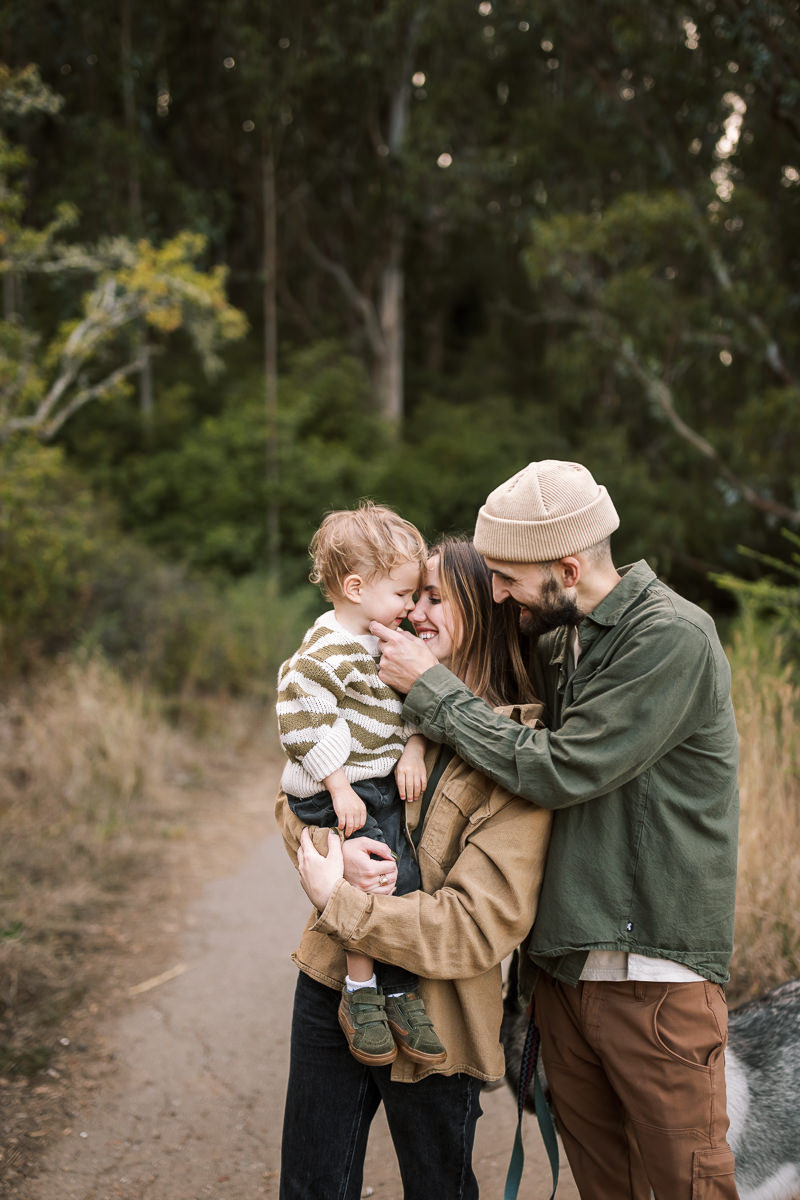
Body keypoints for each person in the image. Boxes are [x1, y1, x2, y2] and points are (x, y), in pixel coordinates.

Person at [372, 460, 741, 1200]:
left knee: (686, 1189)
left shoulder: (670, 638)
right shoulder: (556, 640)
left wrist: (432, 690)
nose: (498, 594)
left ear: (568, 568)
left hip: (654, 985)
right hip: (561, 982)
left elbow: (560, 769)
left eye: (506, 578)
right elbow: (495, 724)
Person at [275, 537, 552, 1200]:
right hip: (334, 979)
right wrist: (328, 848)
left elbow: (475, 926)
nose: (415, 612)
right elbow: (294, 791)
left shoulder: (521, 747)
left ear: (486, 613)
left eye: (436, 598)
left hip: (441, 1017)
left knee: (438, 1189)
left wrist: (347, 905)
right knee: (310, 1186)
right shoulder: (373, 686)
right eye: (412, 595)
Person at [276, 500, 443, 1067]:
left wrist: (415, 744)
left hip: (369, 784)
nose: (411, 607)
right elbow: (300, 717)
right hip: (332, 789)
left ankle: (395, 988)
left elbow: (409, 702)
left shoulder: (377, 641)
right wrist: (339, 785)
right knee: (371, 876)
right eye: (402, 594)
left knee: (402, 874)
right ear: (354, 586)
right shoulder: (324, 650)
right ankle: (363, 991)